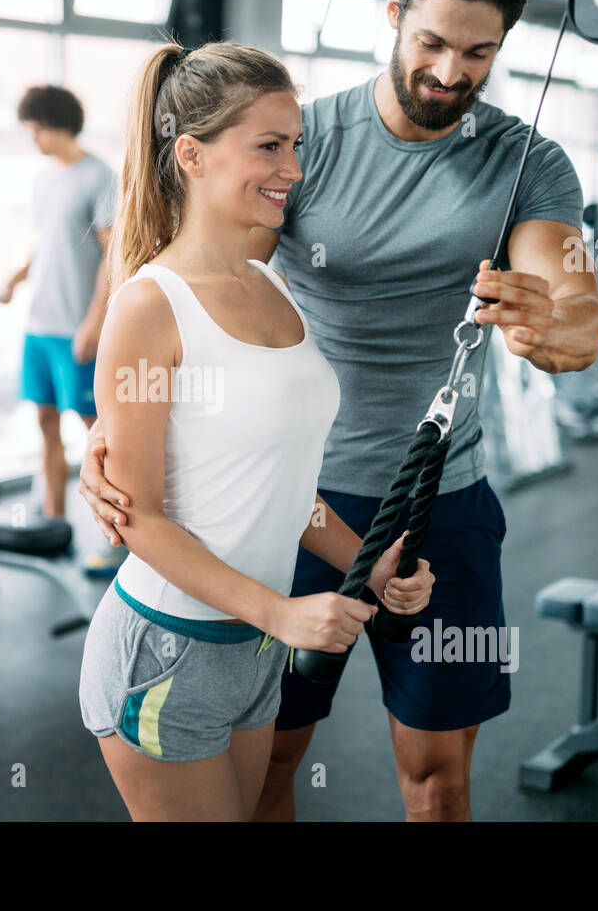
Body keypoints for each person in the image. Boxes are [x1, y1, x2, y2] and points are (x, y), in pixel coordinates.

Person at [79, 0, 598, 821]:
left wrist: (558, 326)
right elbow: (192, 277)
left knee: (437, 782)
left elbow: (578, 301)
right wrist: (118, 418)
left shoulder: (525, 162)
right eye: (432, 40)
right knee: (274, 765)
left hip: (441, 502)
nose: (449, 71)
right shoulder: (301, 141)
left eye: (478, 53)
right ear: (394, 12)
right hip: (291, 492)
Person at [76, 40, 437, 821]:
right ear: (192, 155)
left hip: (254, 645)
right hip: (167, 645)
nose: (294, 169)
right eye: (268, 146)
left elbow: (281, 491)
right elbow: (137, 520)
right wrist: (281, 612)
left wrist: (367, 566)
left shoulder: (272, 285)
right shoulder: (149, 306)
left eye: (296, 145)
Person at [5, 85, 125, 577]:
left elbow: (112, 254)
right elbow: (47, 242)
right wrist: (17, 276)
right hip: (39, 324)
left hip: (77, 330)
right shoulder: (44, 180)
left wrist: (94, 322)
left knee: (97, 436)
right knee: (45, 423)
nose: (31, 137)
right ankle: (52, 524)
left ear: (53, 124)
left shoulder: (99, 176)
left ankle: (119, 537)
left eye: (34, 128)